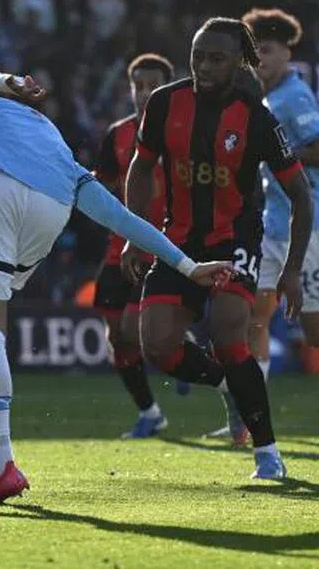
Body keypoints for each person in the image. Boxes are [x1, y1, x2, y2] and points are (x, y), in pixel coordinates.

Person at [0, 64, 233, 504]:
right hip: (49, 211)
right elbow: (120, 217)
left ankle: (0, 468)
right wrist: (186, 265)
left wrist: (2, 81)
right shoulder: (48, 134)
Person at [123, 16, 312, 480]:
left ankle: (268, 454)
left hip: (234, 241)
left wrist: (290, 271)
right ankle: (228, 385)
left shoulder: (256, 116)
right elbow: (140, 169)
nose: (204, 66)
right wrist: (134, 233)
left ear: (238, 63)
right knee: (157, 347)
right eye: (198, 57)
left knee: (230, 333)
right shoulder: (166, 103)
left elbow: (301, 198)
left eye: (216, 59)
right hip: (179, 241)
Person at [200, 8, 319, 443]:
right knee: (249, 319)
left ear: (288, 52)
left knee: (318, 333)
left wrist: (274, 151)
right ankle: (248, 418)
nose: (262, 61)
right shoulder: (265, 100)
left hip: (309, 228)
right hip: (272, 228)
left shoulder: (295, 96)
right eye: (256, 54)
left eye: (269, 52)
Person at [91, 54, 175, 438]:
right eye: (137, 86)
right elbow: (105, 181)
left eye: (152, 85)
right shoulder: (119, 134)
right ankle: (150, 412)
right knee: (115, 335)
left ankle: (182, 342)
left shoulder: (180, 133)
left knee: (131, 326)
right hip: (118, 246)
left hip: (160, 246)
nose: (144, 93)